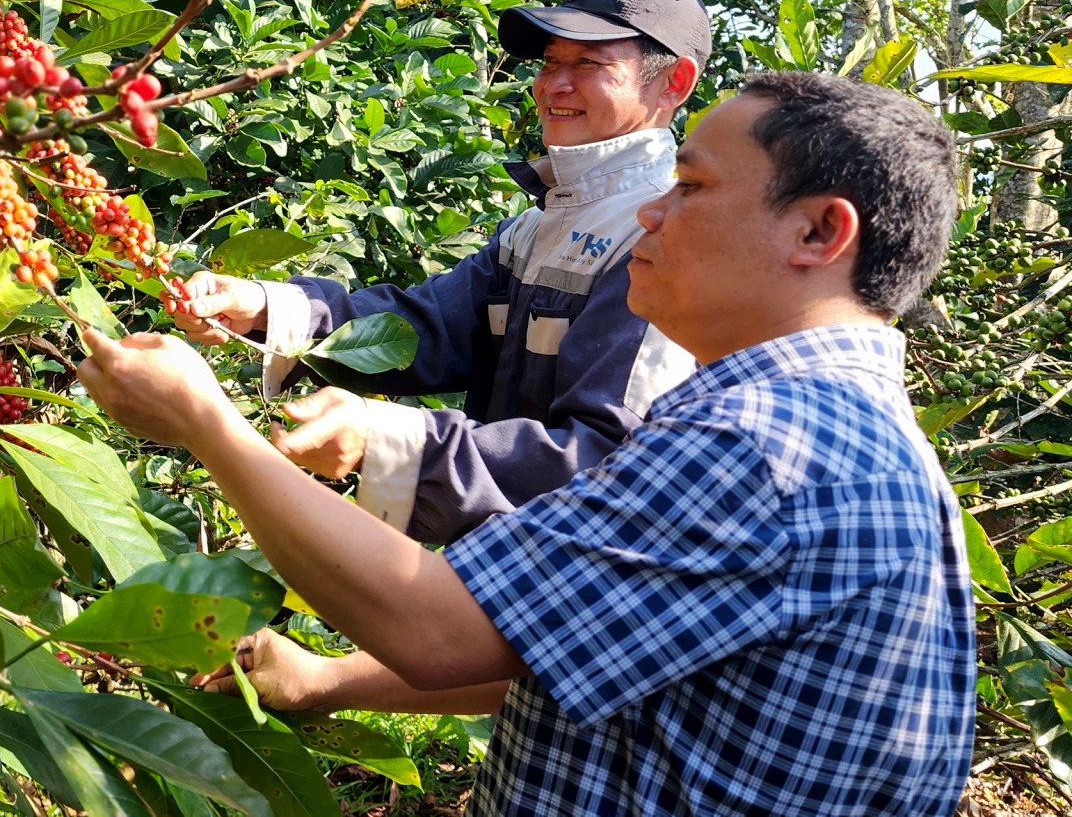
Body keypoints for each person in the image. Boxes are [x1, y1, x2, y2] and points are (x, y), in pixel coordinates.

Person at [80, 73, 974, 816]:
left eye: (692, 188)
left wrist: (207, 423)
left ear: (818, 231)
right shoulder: (822, 422)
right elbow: (585, 642)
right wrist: (326, 682)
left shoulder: (766, 443)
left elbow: (437, 628)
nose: (653, 213)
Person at [173, 0, 711, 543]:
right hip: (506, 563)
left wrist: (390, 441)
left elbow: (608, 463)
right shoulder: (538, 227)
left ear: (673, 83)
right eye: (550, 62)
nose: (553, 84)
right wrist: (264, 306)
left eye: (588, 63)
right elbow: (425, 327)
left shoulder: (658, 239)